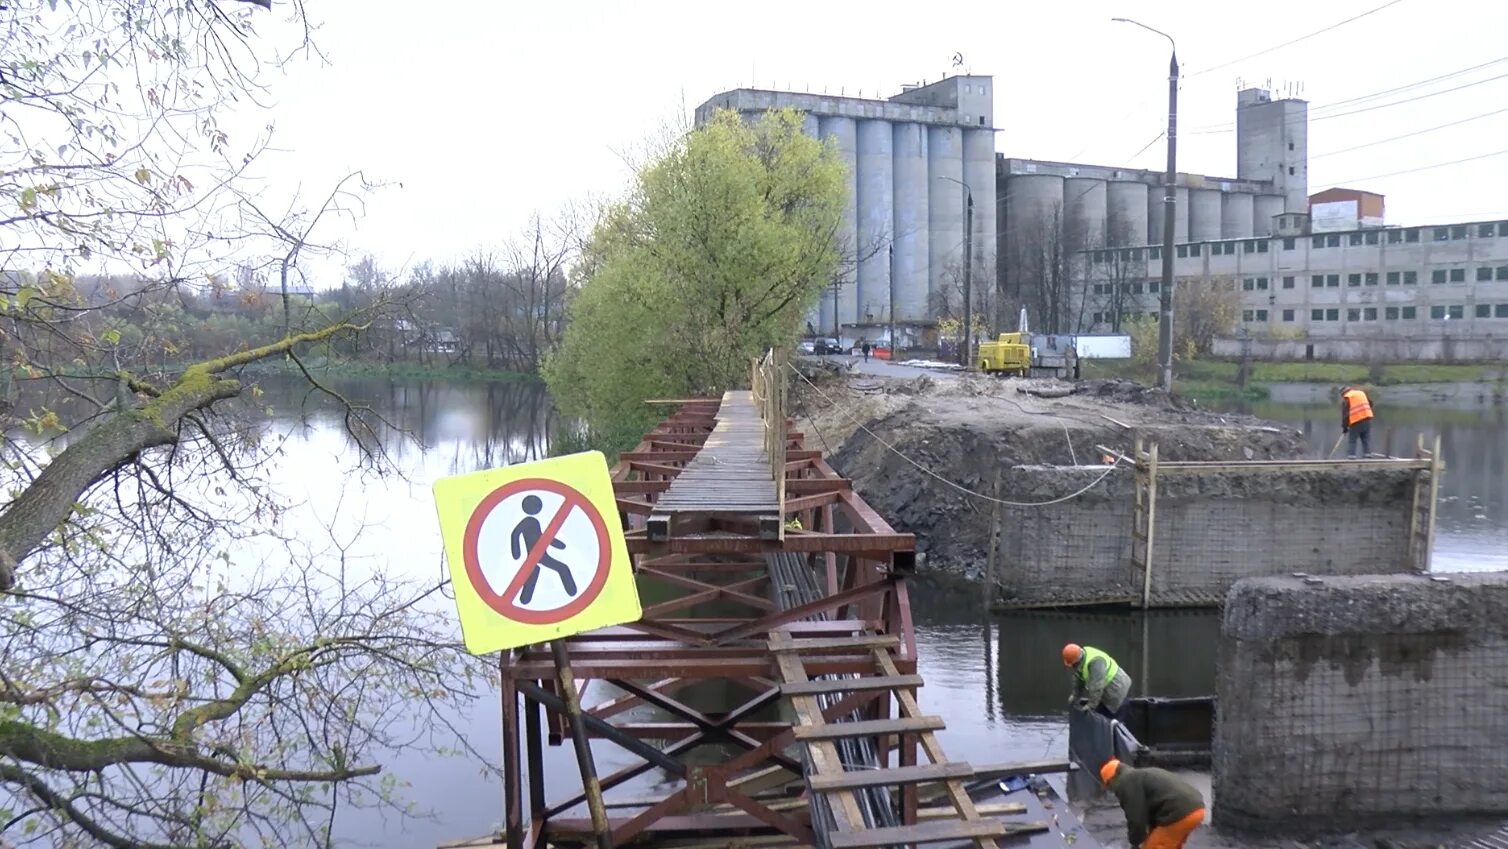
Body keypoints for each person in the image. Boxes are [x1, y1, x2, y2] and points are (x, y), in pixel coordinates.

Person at [1099, 759, 1206, 849]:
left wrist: (1135, 843)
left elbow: (1136, 817)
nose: (1112, 791)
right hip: (1195, 809)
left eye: (1109, 787)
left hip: (1179, 813)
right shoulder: (1139, 775)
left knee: (1152, 846)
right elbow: (1152, 811)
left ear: (1111, 781)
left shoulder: (1127, 782)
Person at [1063, 643, 1132, 720]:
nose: (1073, 666)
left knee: (1113, 723)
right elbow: (1078, 678)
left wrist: (1091, 705)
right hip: (1106, 692)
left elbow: (1096, 687)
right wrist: (1074, 695)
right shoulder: (1080, 662)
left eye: (1074, 664)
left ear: (1078, 659)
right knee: (1101, 718)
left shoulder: (1095, 662)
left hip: (1117, 689)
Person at [1339, 385, 1375, 459]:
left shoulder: (1347, 397)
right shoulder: (1361, 393)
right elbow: (1371, 404)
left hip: (1356, 421)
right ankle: (1368, 455)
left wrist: (1345, 427)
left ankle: (1351, 456)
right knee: (1366, 439)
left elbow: (1345, 415)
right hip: (1367, 418)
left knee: (1352, 440)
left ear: (1343, 393)